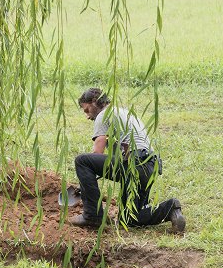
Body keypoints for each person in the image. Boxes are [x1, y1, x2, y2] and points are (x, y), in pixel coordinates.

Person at [68, 88, 186, 232]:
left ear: (94, 102)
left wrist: (86, 180)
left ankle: (92, 215)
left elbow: (97, 153)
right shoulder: (124, 113)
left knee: (83, 161)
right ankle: (171, 208)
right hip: (149, 166)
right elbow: (121, 156)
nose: (87, 116)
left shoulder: (104, 114)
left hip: (135, 164)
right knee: (130, 219)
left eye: (86, 110)